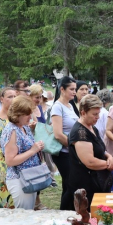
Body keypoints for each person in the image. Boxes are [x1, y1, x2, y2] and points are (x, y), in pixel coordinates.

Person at [61, 95, 113, 210]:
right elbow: (90, 162)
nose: (98, 117)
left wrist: (109, 156)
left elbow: (100, 148)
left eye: (98, 113)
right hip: (86, 185)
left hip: (96, 181)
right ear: (83, 112)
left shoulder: (92, 127)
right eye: (94, 114)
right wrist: (108, 164)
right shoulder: (80, 133)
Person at [1, 97, 44, 209]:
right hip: (19, 180)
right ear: (17, 114)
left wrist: (37, 147)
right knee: (23, 215)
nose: (30, 117)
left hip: (30, 177)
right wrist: (32, 150)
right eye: (27, 114)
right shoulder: (12, 131)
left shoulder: (23, 127)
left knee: (29, 212)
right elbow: (10, 161)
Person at [51, 76, 79, 208]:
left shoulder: (69, 106)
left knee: (69, 185)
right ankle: (64, 213)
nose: (74, 92)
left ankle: (67, 214)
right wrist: (74, 147)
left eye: (75, 89)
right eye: (71, 89)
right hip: (63, 153)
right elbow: (58, 134)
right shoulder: (57, 107)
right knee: (70, 185)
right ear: (62, 89)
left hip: (71, 151)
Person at [0, 87, 16, 208]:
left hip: (16, 162)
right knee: (4, 197)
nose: (13, 99)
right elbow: (1, 144)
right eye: (10, 97)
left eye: (15, 96)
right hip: (4, 164)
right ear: (1, 99)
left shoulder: (15, 117)